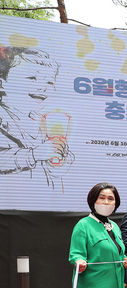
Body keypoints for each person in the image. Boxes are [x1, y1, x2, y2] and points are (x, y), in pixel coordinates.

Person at [0, 46, 74, 185]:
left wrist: (61, 156)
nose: (42, 87)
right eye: (32, 78)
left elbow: (51, 173)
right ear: (2, 82)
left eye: (49, 82)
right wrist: (34, 154)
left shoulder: (43, 123)